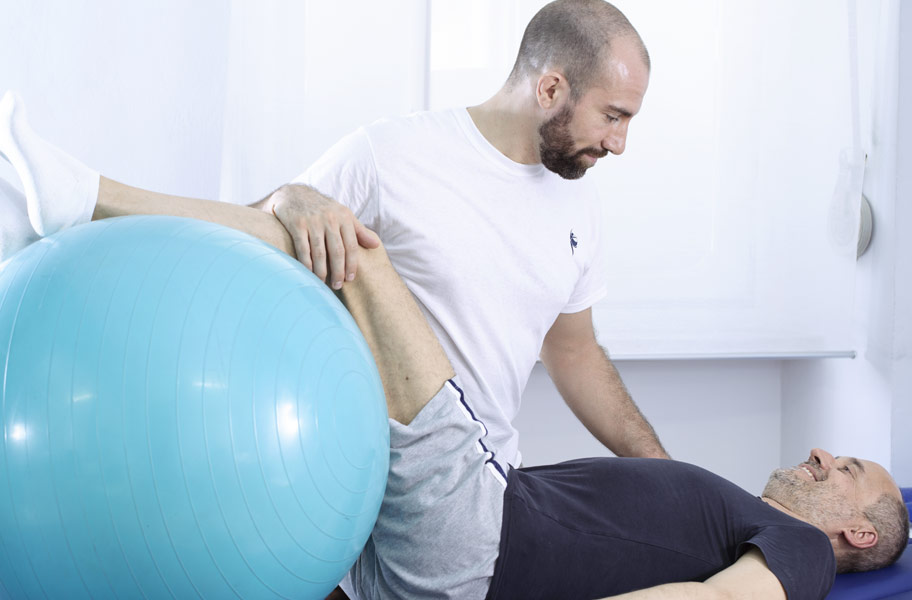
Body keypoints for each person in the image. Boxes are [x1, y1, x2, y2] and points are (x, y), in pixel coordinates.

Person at [0, 100, 910, 600]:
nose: (824, 451)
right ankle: (56, 223)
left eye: (849, 467)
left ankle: (70, 209)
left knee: (347, 248)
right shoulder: (730, 508)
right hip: (434, 542)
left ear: (858, 534)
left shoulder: (798, 554)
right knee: (316, 241)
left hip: (473, 529)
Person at [255, 0, 667, 471]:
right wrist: (284, 198)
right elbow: (256, 239)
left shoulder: (579, 199)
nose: (619, 143)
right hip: (390, 485)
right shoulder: (392, 154)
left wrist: (666, 474)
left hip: (495, 481)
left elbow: (573, 351)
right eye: (612, 117)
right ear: (551, 89)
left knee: (688, 515)